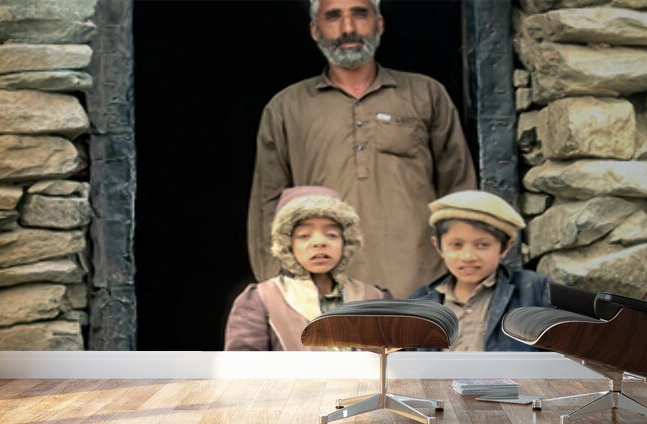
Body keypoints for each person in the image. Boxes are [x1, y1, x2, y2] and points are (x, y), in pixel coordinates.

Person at [247, 0, 477, 298]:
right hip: (326, 291)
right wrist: (278, 290)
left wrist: (464, 279)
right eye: (333, 16)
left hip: (423, 287)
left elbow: (459, 190)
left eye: (359, 14)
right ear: (315, 30)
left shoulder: (425, 94)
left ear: (380, 24)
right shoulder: (286, 108)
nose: (348, 28)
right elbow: (267, 206)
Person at [226, 186, 389, 351]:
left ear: (345, 241)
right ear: (288, 244)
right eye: (304, 235)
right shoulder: (262, 299)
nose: (319, 242)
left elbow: (400, 367)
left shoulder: (375, 299)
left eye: (331, 234)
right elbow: (241, 371)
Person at [411, 190, 551, 352]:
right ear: (438, 246)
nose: (468, 256)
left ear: (506, 247)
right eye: (456, 245)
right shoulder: (421, 301)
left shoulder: (534, 291)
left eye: (482, 245)